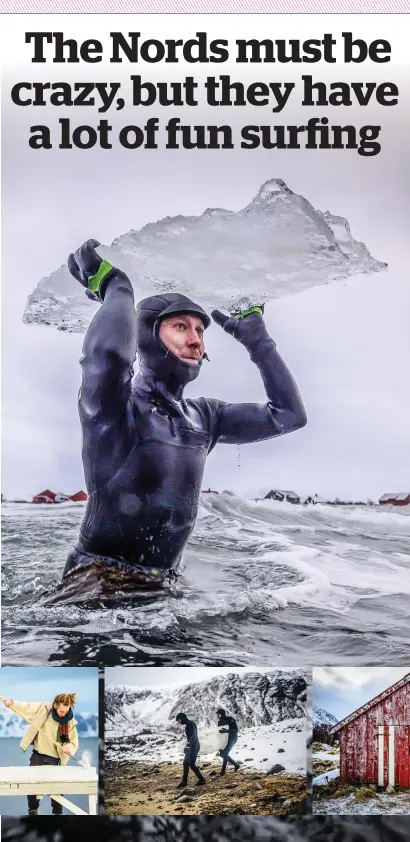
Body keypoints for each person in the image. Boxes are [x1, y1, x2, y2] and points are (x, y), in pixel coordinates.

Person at [61, 239, 307, 591]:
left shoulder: (205, 416)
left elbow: (289, 415)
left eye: (200, 330)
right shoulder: (115, 407)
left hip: (164, 587)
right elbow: (108, 357)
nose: (196, 340)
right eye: (180, 327)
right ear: (147, 336)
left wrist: (258, 341)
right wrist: (116, 287)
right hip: (96, 586)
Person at [1, 694, 79, 815]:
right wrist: (12, 703)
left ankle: (57, 816)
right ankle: (33, 813)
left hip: (56, 760)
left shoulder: (70, 721)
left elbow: (73, 742)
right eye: (61, 711)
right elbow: (27, 707)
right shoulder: (44, 708)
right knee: (32, 788)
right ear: (55, 706)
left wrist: (67, 748)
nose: (63, 714)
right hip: (38, 755)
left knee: (57, 791)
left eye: (66, 711)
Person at [175, 712, 206, 788]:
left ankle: (186, 781)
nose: (179, 722)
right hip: (193, 746)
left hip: (194, 746)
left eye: (179, 720)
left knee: (188, 763)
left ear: (182, 718)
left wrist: (188, 746)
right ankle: (198, 780)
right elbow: (192, 737)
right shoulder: (190, 723)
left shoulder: (190, 724)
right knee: (189, 764)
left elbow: (194, 736)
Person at [216, 707, 239, 775]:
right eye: (217, 714)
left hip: (233, 737)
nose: (217, 716)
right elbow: (220, 732)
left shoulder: (230, 719)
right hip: (225, 739)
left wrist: (227, 731)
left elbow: (236, 730)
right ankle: (236, 765)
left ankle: (223, 772)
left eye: (218, 714)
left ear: (222, 714)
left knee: (225, 752)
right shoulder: (219, 722)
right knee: (222, 754)